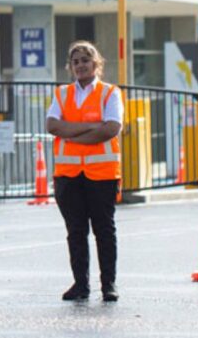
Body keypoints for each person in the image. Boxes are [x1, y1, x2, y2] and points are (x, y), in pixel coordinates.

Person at [46, 40, 124, 302]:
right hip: (68, 175)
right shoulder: (61, 94)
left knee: (104, 230)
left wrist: (72, 132)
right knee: (76, 231)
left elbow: (111, 128)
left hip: (101, 174)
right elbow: (53, 126)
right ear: (70, 66)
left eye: (85, 60)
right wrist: (90, 129)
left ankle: (108, 285)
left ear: (96, 64)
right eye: (75, 61)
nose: (80, 65)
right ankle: (80, 285)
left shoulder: (110, 93)